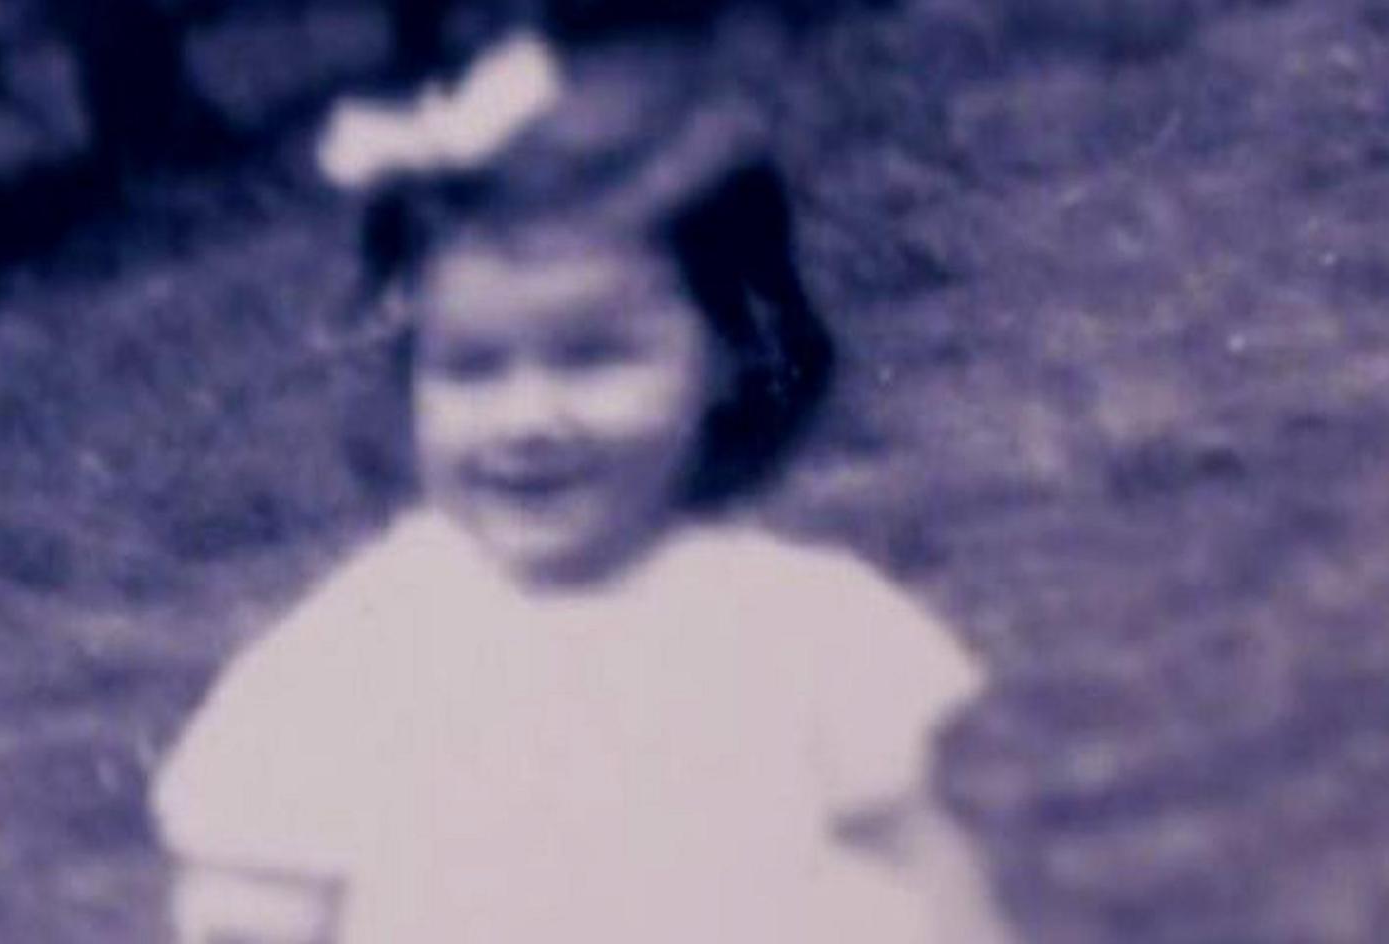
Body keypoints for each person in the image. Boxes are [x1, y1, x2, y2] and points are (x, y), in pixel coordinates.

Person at [153, 31, 1013, 944]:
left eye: (595, 358)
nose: (530, 418)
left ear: (731, 353)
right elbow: (247, 918)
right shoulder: (344, 667)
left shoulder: (796, 623)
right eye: (471, 371)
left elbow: (920, 874)